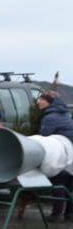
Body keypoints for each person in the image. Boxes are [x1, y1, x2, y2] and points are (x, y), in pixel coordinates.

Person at [37, 93, 73, 221]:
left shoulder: (50, 117)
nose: (38, 102)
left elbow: (44, 137)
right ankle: (69, 214)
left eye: (41, 100)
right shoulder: (64, 113)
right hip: (70, 151)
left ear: (49, 102)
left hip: (61, 153)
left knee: (58, 182)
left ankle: (56, 214)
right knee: (68, 184)